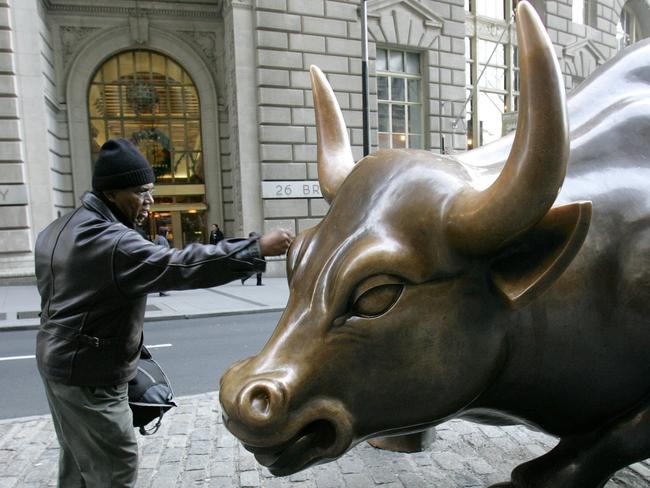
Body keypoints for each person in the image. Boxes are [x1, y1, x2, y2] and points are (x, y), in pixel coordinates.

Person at [34, 138, 293, 488]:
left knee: (79, 463)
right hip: (89, 376)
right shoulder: (112, 242)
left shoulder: (58, 229)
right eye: (141, 192)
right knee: (114, 467)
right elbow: (180, 265)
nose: (149, 201)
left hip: (59, 365)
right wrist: (256, 248)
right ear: (112, 193)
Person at [153, 227, 171, 296]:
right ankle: (162, 291)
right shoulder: (162, 239)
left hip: (159, 259)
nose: (168, 234)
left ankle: (162, 290)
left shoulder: (157, 238)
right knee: (163, 275)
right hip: (162, 259)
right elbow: (164, 250)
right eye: (167, 232)